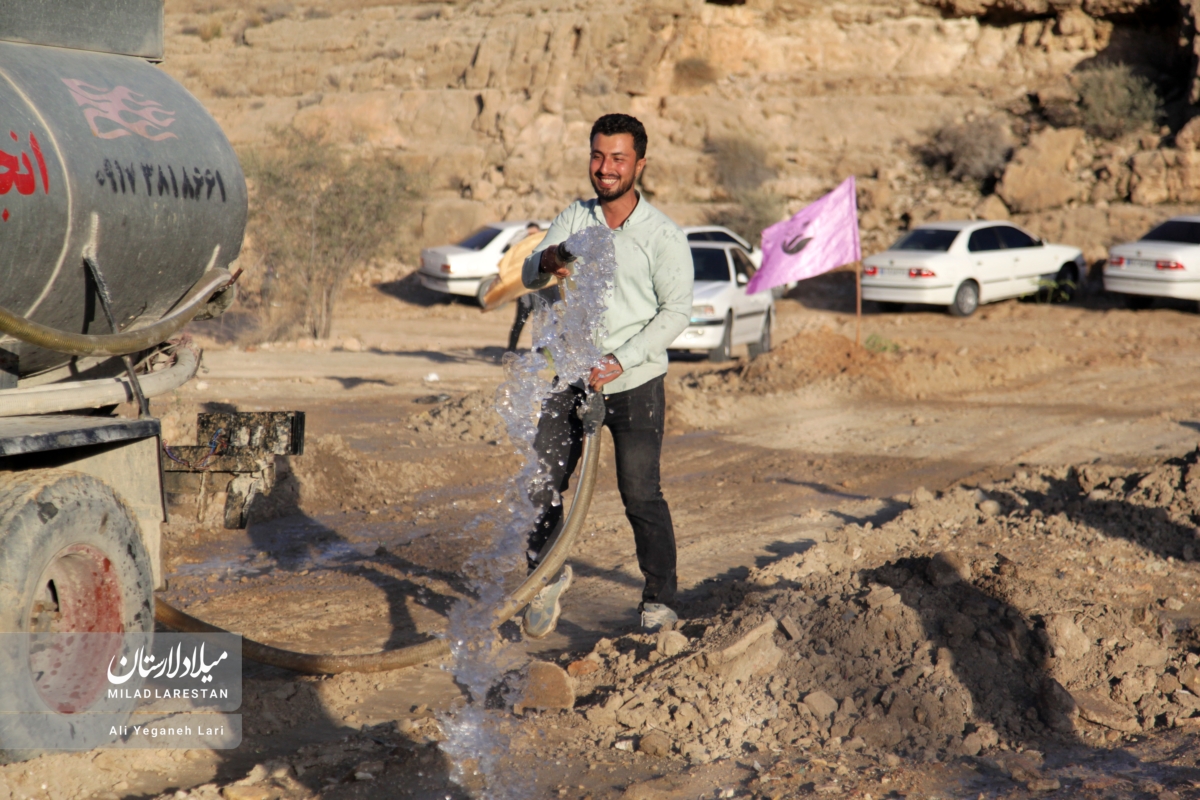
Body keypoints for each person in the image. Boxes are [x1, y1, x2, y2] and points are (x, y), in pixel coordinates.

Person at [518, 113, 694, 638]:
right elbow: (530, 274)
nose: (605, 168)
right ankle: (544, 580)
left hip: (635, 382)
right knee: (542, 484)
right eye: (598, 156)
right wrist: (551, 258)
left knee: (640, 495)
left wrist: (621, 359)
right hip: (571, 377)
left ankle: (659, 600)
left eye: (618, 158)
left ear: (640, 164)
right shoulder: (575, 218)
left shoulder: (662, 235)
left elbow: (677, 312)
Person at [506, 222, 545, 351]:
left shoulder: (543, 244)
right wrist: (525, 233)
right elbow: (511, 245)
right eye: (530, 234)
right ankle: (511, 349)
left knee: (540, 325)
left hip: (541, 292)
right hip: (525, 292)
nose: (532, 236)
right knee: (519, 322)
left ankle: (538, 353)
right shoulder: (522, 248)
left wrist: (538, 235)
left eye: (535, 234)